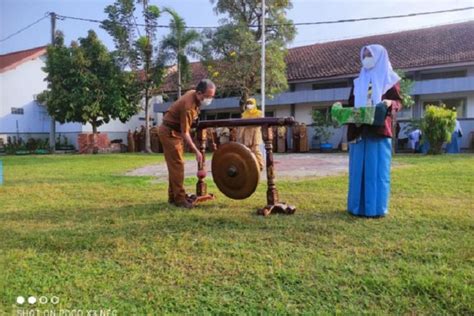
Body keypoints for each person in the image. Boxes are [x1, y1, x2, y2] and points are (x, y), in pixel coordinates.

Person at [346, 44, 402, 217]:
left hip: (378, 131)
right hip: (358, 131)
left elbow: (398, 102)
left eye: (370, 54)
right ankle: (356, 207)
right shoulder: (359, 81)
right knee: (358, 171)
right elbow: (350, 104)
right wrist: (341, 110)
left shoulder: (390, 79)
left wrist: (389, 103)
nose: (367, 58)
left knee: (376, 171)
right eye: (365, 55)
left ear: (379, 56)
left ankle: (376, 208)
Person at [158, 79, 216, 208]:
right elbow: (185, 132)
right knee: (178, 165)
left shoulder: (192, 94)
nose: (209, 99)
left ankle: (173, 197)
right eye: (207, 97)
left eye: (212, 96)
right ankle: (180, 199)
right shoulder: (188, 106)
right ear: (199, 93)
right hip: (170, 132)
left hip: (173, 131)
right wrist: (196, 151)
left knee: (175, 166)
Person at [237, 98, 264, 171]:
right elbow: (241, 125)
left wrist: (250, 125)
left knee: (256, 150)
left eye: (251, 103)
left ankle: (260, 165)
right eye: (248, 103)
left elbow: (260, 124)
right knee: (247, 151)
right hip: (246, 135)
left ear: (254, 104)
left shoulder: (259, 113)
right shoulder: (244, 114)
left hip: (255, 134)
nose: (249, 105)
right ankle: (249, 166)